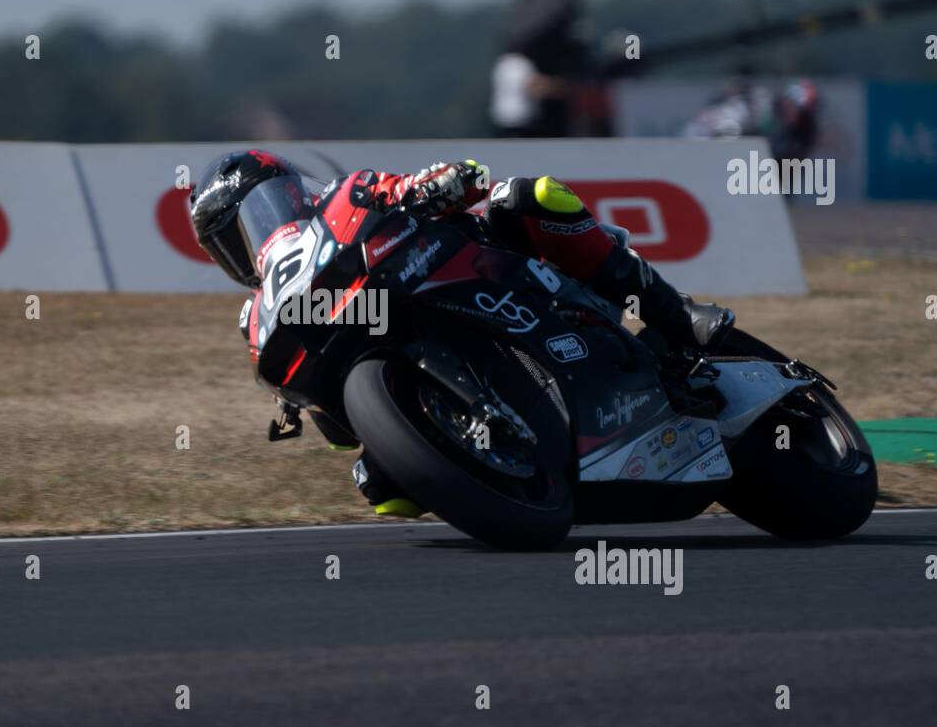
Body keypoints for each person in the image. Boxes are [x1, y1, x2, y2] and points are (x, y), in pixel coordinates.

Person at [190, 149, 734, 516]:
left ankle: (675, 315)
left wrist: (440, 183)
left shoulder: (346, 198)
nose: (253, 233)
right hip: (400, 343)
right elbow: (340, 428)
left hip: (492, 270)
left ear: (291, 192)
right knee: (385, 492)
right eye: (229, 235)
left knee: (528, 196)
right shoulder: (260, 315)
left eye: (260, 210)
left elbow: (459, 178)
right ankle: (515, 460)